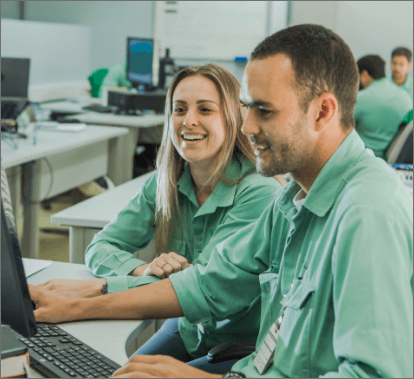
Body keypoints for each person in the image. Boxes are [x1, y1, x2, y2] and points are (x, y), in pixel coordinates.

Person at [30, 24, 413, 378]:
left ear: (323, 111)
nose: (245, 127)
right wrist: (83, 302)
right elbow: (210, 283)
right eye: (247, 107)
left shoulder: (366, 214)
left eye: (264, 110)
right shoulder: (294, 200)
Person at [32, 63, 284, 374]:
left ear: (233, 118)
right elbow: (103, 245)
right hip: (190, 327)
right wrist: (141, 269)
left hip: (244, 345)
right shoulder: (166, 180)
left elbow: (200, 288)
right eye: (179, 109)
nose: (188, 120)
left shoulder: (259, 193)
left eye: (205, 110)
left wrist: (95, 290)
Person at [354, 54, 412, 159]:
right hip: (396, 160)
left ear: (364, 75)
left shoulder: (361, 98)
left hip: (365, 159)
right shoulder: (405, 97)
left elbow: (340, 127)